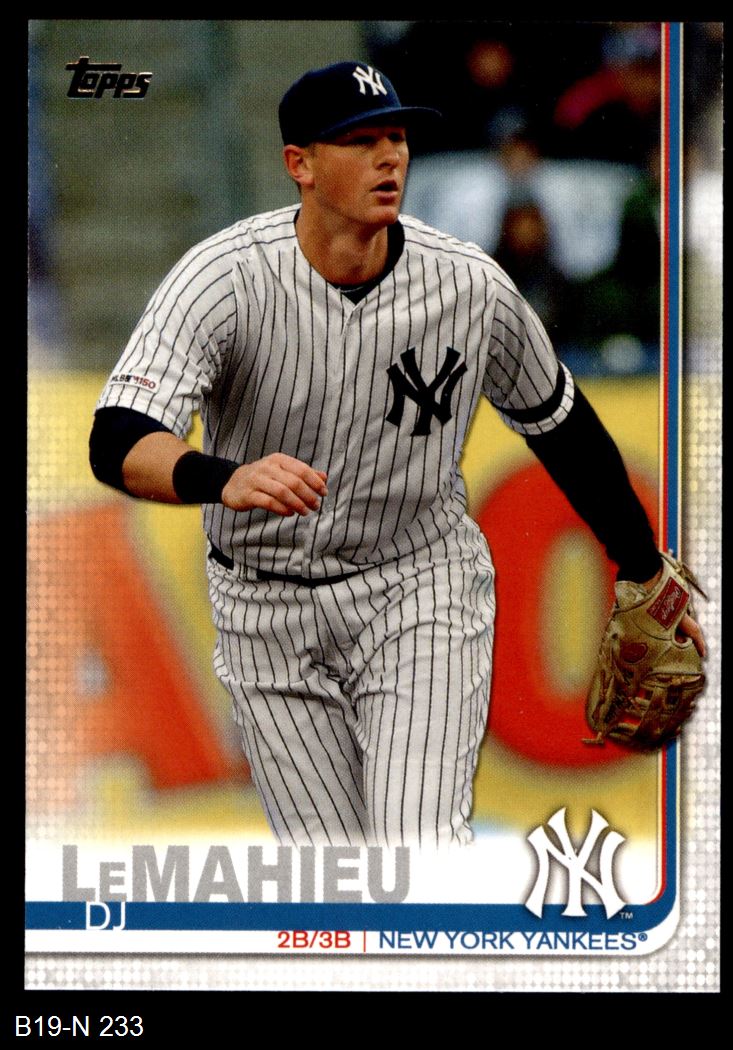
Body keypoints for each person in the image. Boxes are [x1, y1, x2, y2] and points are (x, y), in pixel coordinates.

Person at [89, 62, 704, 849]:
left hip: (416, 591)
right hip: (263, 606)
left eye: (396, 137)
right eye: (360, 140)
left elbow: (560, 424)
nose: (389, 158)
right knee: (330, 877)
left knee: (416, 849)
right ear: (300, 164)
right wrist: (222, 477)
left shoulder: (468, 287)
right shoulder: (224, 279)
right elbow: (117, 439)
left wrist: (639, 565)